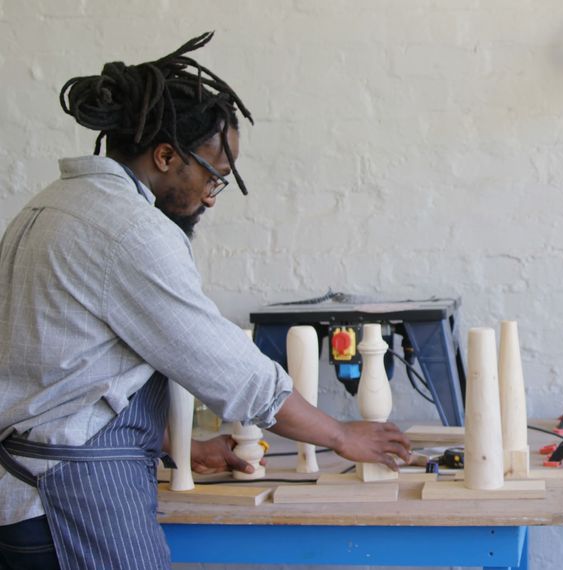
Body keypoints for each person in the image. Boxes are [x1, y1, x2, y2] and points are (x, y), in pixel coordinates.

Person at [0, 32, 411, 569]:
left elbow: (69, 370)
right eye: (214, 176)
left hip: (24, 496)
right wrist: (339, 434)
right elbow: (229, 371)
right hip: (72, 501)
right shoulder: (130, 230)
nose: (211, 197)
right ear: (167, 156)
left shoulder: (50, 206)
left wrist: (182, 448)